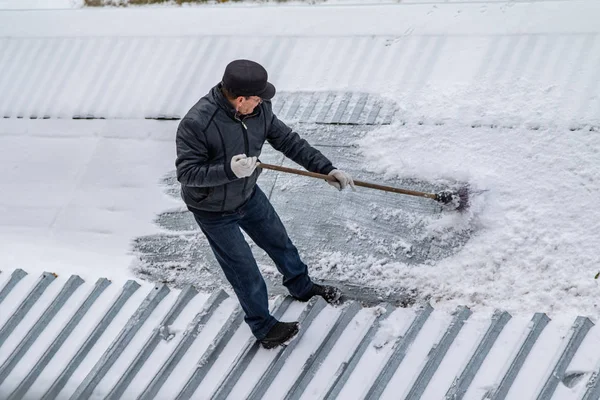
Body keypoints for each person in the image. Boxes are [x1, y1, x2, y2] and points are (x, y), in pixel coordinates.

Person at [175, 59, 354, 349]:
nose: (262, 103)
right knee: (244, 269)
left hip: (247, 194)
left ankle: (301, 286)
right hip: (213, 209)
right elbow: (186, 174)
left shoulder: (260, 111)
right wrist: (229, 170)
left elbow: (289, 141)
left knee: (279, 242)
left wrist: (325, 169)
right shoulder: (197, 123)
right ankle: (263, 327)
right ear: (240, 99)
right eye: (257, 98)